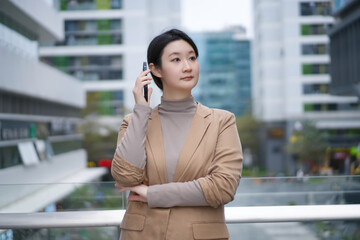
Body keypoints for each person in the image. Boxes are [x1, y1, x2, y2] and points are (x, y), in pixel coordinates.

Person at [111, 28, 243, 240]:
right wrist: (142, 109)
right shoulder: (134, 122)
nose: (188, 66)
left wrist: (152, 193)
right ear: (155, 70)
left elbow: (223, 187)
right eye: (176, 60)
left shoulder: (222, 122)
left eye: (192, 58)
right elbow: (126, 177)